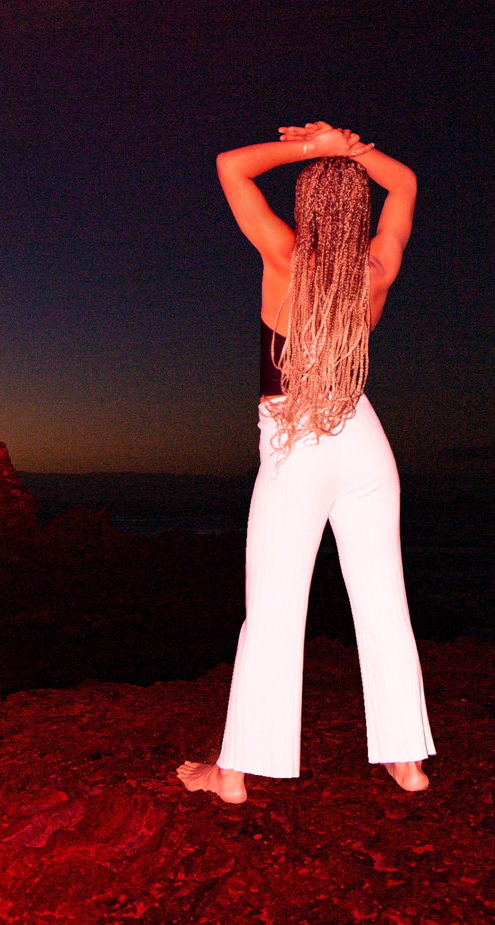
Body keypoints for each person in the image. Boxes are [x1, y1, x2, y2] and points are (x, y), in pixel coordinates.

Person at [177, 121, 434, 804]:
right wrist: (358, 152)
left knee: (273, 609)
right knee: (383, 598)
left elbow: (230, 163)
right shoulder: (378, 267)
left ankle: (232, 774)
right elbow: (405, 182)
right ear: (360, 212)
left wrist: (313, 148)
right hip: (363, 436)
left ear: (308, 207)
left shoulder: (286, 255)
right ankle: (407, 760)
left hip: (297, 440)